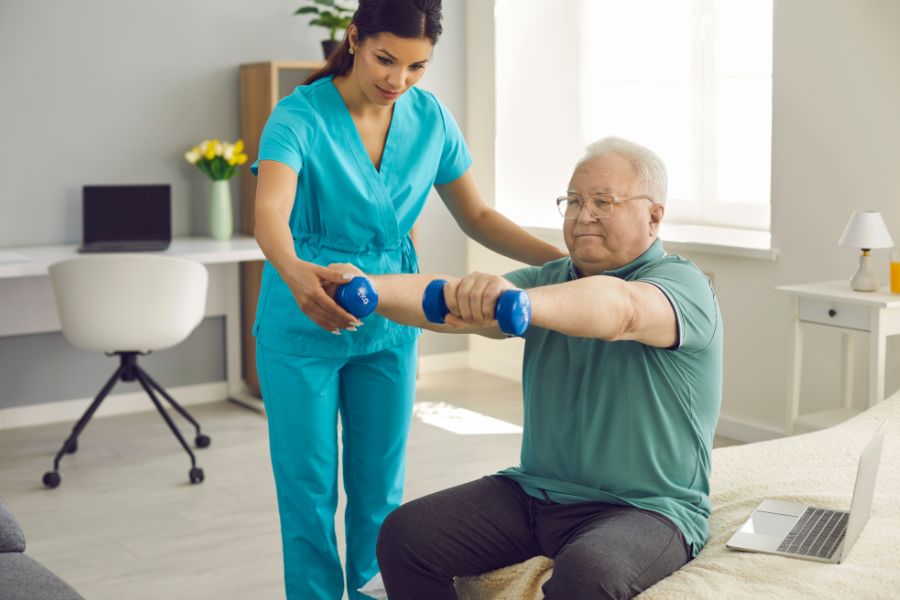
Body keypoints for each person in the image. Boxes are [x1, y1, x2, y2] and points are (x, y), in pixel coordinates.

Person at [250, 1, 565, 598]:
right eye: (385, 59)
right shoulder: (297, 116)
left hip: (393, 321)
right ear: (354, 38)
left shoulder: (431, 120)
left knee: (380, 490)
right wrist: (296, 275)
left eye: (417, 66)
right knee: (308, 492)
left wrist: (561, 266)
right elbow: (270, 216)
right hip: (304, 320)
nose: (398, 79)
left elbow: (476, 215)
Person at [332, 136, 723, 599]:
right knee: (405, 535)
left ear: (654, 216)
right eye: (573, 202)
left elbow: (621, 310)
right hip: (534, 493)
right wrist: (370, 288)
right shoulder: (550, 278)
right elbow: (447, 302)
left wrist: (518, 303)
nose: (583, 216)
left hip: (646, 509)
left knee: (589, 572)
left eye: (603, 202)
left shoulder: (681, 284)